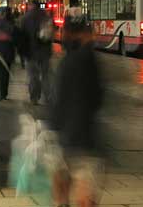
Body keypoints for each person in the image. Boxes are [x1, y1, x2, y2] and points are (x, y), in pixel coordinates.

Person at [50, 13, 104, 207]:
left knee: (62, 176)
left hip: (64, 131)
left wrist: (53, 126)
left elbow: (57, 98)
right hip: (83, 133)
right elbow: (97, 98)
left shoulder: (67, 61)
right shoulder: (88, 60)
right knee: (84, 181)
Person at [23, 1, 54, 105]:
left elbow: (22, 36)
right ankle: (48, 97)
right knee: (46, 75)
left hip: (31, 52)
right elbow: (51, 33)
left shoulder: (26, 18)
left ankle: (34, 97)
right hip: (45, 52)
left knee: (33, 76)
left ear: (31, 6)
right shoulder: (46, 16)